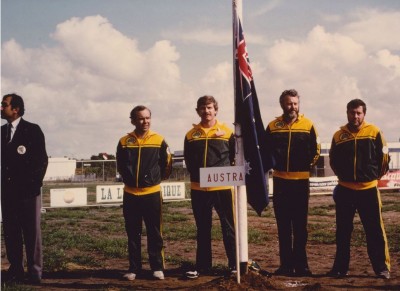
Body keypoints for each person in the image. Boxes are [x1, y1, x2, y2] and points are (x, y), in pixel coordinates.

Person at [328, 99, 391, 279]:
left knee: (375, 231)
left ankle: (381, 268)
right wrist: (345, 177)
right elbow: (333, 160)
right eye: (352, 112)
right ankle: (340, 268)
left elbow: (384, 159)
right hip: (345, 190)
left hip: (368, 191)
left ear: (364, 114)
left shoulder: (374, 132)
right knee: (343, 231)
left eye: (358, 113)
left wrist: (371, 177)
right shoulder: (339, 136)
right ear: (347, 113)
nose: (355, 116)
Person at [265, 89, 320, 277]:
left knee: (300, 227)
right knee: (283, 227)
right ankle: (286, 265)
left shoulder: (308, 125)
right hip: (281, 182)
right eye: (289, 103)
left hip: (300, 182)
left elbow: (316, 150)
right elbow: (265, 151)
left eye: (295, 103)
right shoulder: (273, 126)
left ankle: (302, 266)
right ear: (282, 104)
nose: (293, 107)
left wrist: (303, 165)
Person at [116, 105, 172, 281]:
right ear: (133, 120)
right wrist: (131, 179)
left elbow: (167, 164)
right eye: (140, 118)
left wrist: (154, 180)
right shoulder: (124, 141)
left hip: (152, 193)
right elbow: (121, 165)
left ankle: (157, 267)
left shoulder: (159, 140)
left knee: (155, 232)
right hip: (131, 194)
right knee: (133, 232)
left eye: (147, 118)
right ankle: (134, 268)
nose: (145, 121)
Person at [184, 95, 236, 279]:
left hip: (222, 188)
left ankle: (234, 265)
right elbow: (189, 160)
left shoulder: (228, 132)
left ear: (215, 110)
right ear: (197, 110)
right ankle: (203, 266)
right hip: (199, 189)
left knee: (228, 227)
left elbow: (233, 157)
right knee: (203, 228)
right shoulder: (191, 135)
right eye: (203, 108)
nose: (206, 111)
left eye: (209, 108)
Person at [1, 93, 48, 284]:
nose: (1, 108)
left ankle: (35, 273)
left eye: (4, 105)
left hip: (28, 193)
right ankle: (16, 270)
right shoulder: (1, 132)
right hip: (8, 194)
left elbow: (41, 161)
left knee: (32, 233)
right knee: (11, 233)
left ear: (16, 109)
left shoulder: (32, 130)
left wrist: (33, 186)